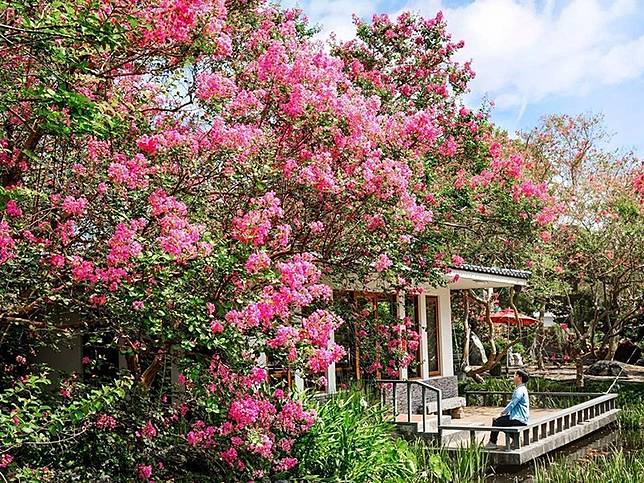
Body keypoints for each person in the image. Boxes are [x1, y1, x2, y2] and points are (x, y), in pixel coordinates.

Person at [484, 369, 529, 449]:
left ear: (520, 378)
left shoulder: (519, 390)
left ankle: (492, 443)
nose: (513, 377)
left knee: (497, 421)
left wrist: (501, 414)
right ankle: (515, 439)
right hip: (521, 417)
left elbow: (512, 404)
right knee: (502, 422)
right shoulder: (522, 388)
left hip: (518, 418)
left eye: (515, 375)